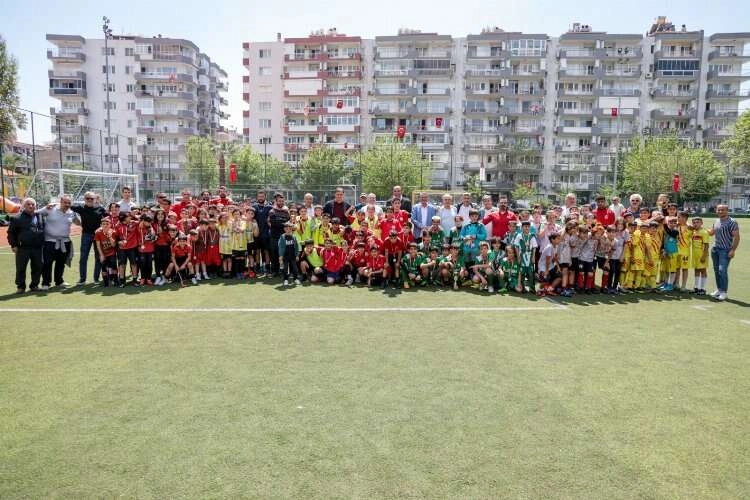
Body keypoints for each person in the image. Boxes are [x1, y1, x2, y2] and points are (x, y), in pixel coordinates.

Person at [37, 195, 80, 290]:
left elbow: (78, 223)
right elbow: (36, 213)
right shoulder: (50, 209)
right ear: (61, 201)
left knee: (61, 263)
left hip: (65, 242)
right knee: (47, 263)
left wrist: (77, 215)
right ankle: (45, 283)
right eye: (65, 202)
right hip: (50, 242)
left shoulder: (71, 212)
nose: (67, 204)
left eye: (69, 203)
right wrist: (45, 207)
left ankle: (59, 281)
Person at [8, 198, 45, 293]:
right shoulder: (17, 218)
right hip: (23, 248)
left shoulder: (40, 216)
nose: (31, 206)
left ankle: (34, 285)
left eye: (33, 204)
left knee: (38, 267)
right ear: (24, 206)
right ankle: (20, 287)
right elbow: (11, 233)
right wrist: (13, 245)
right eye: (28, 204)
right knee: (21, 268)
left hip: (37, 248)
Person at [71, 191, 107, 285]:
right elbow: (67, 205)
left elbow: (109, 217)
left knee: (98, 257)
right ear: (84, 199)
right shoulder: (81, 208)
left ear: (95, 199)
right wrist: (53, 206)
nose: (90, 200)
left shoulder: (101, 209)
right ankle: (82, 279)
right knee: (83, 257)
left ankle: (96, 278)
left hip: (98, 236)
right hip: (86, 235)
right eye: (88, 198)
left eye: (92, 198)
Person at [708, 204, 740, 301]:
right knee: (717, 270)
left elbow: (737, 237)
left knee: (722, 270)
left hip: (725, 250)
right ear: (716, 211)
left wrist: (733, 250)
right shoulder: (717, 221)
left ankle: (724, 292)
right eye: (719, 210)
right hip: (715, 249)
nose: (720, 211)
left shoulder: (732, 222)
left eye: (723, 210)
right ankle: (719, 289)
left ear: (727, 210)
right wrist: (699, 228)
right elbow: (711, 233)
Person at [268, 193, 291, 276]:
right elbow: (274, 223)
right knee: (274, 254)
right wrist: (284, 222)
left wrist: (281, 221)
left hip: (284, 237)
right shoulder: (272, 211)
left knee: (283, 254)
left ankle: (283, 270)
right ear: (276, 201)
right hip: (274, 236)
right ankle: (274, 271)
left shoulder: (286, 211)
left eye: (282, 201)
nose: (281, 202)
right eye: (279, 201)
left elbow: (288, 222)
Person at [688, 217, 710, 295]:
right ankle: (696, 287)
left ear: (701, 223)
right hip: (695, 255)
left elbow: (706, 245)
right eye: (694, 222)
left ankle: (703, 289)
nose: (695, 224)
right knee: (696, 270)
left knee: (703, 270)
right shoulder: (693, 232)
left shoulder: (704, 232)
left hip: (702, 255)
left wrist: (704, 256)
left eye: (697, 222)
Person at [94, 218, 118, 287]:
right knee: (104, 267)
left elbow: (113, 245)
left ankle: (116, 280)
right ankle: (106, 282)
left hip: (112, 253)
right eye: (103, 224)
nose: (105, 225)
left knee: (114, 267)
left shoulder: (113, 232)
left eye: (107, 224)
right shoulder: (98, 233)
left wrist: (110, 236)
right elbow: (98, 246)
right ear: (101, 225)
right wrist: (101, 255)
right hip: (103, 253)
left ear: (110, 225)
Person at [278, 222, 301, 286]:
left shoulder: (294, 237)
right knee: (285, 268)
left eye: (290, 228)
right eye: (286, 228)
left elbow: (296, 246)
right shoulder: (282, 237)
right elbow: (280, 247)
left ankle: (295, 279)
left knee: (295, 268)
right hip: (285, 256)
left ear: (291, 229)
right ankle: (286, 279)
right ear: (284, 229)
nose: (288, 230)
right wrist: (281, 256)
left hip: (292, 256)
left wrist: (297, 255)